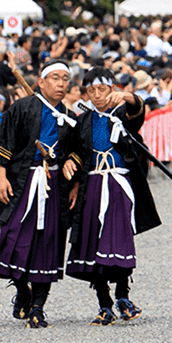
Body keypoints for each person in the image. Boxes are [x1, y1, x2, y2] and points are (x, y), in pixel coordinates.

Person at [0, 60, 82, 328]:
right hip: (22, 180)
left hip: (53, 185)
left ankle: (38, 307)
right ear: (41, 82)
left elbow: (78, 149)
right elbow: (5, 144)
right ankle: (22, 290)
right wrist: (0, 176)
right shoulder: (22, 108)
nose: (62, 84)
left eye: (66, 79)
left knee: (48, 243)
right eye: (55, 78)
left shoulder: (69, 117)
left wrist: (70, 162)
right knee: (13, 238)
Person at [66, 67, 161, 325]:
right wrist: (74, 181)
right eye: (91, 90)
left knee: (119, 242)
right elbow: (77, 150)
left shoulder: (121, 114)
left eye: (103, 89)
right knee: (94, 245)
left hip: (119, 183)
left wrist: (128, 97)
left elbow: (137, 112)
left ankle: (122, 295)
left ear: (112, 89)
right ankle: (104, 303)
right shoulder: (83, 119)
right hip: (92, 184)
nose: (97, 95)